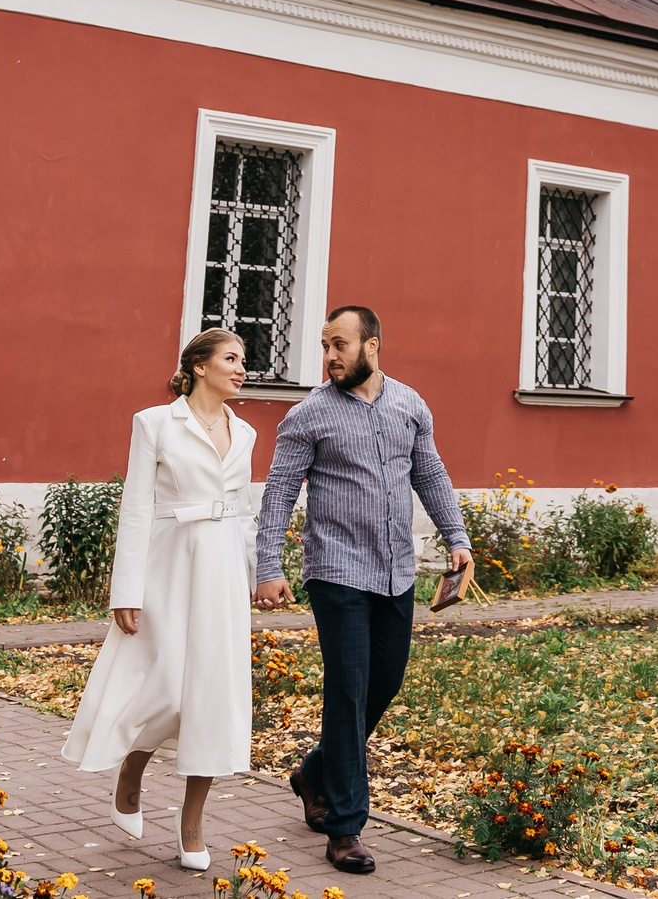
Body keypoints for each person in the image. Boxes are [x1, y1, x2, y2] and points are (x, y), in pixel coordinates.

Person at [252, 306, 473, 876]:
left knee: (385, 683)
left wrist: (458, 537)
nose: (329, 356)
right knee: (348, 691)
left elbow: (430, 473)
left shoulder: (410, 404)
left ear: (372, 346)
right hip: (336, 572)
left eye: (340, 345)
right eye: (325, 345)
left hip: (397, 570)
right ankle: (345, 827)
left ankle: (314, 773)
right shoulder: (307, 416)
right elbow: (277, 495)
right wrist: (267, 567)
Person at [61, 330, 256, 873]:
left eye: (244, 361)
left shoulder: (246, 434)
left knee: (215, 695)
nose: (243, 369)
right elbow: (137, 508)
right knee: (166, 685)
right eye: (232, 359)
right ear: (198, 366)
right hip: (168, 565)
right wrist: (126, 589)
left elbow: (242, 512)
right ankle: (132, 768)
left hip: (221, 573)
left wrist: (254, 576)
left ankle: (191, 821)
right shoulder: (153, 423)